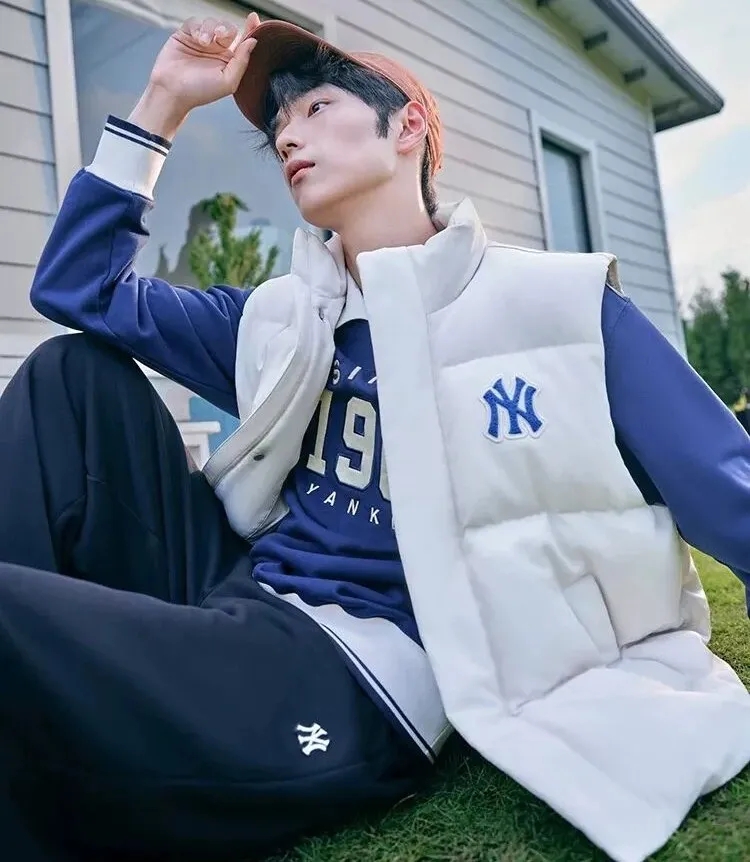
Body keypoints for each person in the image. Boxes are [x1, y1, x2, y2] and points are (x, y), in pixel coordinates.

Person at [5, 10, 750, 862]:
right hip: (235, 590)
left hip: (351, 672)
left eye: (317, 108)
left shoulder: (556, 310)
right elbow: (77, 286)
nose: (289, 136)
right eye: (279, 128)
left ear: (409, 127)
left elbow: (724, 484)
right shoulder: (280, 318)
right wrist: (164, 100)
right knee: (71, 374)